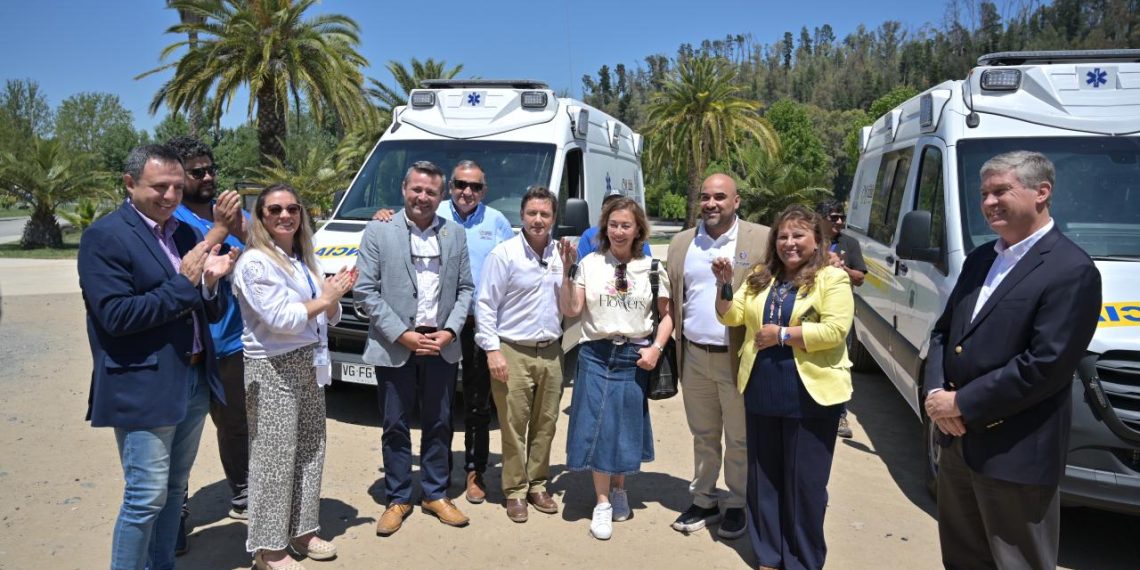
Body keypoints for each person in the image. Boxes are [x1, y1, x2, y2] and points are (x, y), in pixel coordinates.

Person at [923, 151, 1101, 570]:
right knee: (963, 558)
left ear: (1042, 192)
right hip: (958, 443)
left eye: (1001, 190)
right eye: (984, 193)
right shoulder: (982, 258)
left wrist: (962, 402)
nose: (988, 202)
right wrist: (935, 394)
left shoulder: (1071, 269)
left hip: (1015, 453)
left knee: (1017, 562)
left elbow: (1046, 364)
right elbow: (944, 333)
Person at [78, 144, 237, 570]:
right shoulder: (104, 236)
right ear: (130, 184)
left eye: (176, 187)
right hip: (144, 384)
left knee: (172, 490)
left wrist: (210, 285)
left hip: (193, 381)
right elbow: (116, 315)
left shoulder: (184, 234)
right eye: (159, 187)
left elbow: (206, 309)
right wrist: (187, 284)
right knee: (145, 497)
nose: (170, 196)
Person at [714, 204, 853, 570]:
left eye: (798, 235)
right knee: (764, 481)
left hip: (810, 396)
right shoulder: (761, 276)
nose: (788, 243)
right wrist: (724, 284)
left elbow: (835, 331)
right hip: (762, 390)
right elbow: (731, 316)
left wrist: (783, 335)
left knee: (805, 487)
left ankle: (802, 560)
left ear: (817, 239)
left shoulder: (831, 278)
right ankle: (768, 555)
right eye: (782, 236)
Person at [373, 160, 513, 504]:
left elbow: (485, 279)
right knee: (403, 419)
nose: (467, 192)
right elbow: (368, 287)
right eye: (461, 184)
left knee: (465, 410)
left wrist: (456, 331)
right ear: (449, 187)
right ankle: (405, 495)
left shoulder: (487, 224)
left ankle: (461, 479)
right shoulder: (405, 220)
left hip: (468, 327)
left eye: (476, 187)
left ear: (484, 190)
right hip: (411, 333)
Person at [232, 184, 357, 569]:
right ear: (261, 217)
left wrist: (332, 295)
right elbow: (282, 320)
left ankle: (302, 530)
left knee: (309, 450)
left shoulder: (301, 259)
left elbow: (324, 312)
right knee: (274, 459)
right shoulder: (255, 263)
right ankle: (269, 550)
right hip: (272, 367)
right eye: (274, 210)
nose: (285, 215)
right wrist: (328, 297)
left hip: (307, 361)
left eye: (292, 208)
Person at [354, 161, 475, 536]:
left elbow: (466, 289)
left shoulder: (454, 234)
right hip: (396, 345)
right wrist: (402, 334)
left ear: (442, 197)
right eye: (417, 189)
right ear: (404, 188)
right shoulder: (379, 231)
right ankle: (398, 497)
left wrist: (451, 331)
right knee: (395, 424)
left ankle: (436, 493)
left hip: (441, 344)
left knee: (440, 423)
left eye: (431, 192)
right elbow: (365, 292)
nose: (423, 197)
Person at [561, 196, 674, 541]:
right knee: (598, 427)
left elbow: (667, 317)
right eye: (613, 224)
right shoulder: (589, 263)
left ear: (638, 228)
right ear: (604, 227)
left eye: (626, 225)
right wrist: (568, 272)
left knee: (624, 428)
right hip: (595, 353)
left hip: (634, 357)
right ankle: (602, 502)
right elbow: (572, 309)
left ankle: (620, 488)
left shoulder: (652, 268)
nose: (619, 231)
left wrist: (656, 349)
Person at [664, 173, 769, 538]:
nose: (711, 204)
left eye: (720, 197)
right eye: (706, 197)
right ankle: (705, 498)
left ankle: (738, 502)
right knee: (704, 434)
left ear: (736, 201)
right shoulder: (680, 244)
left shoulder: (761, 239)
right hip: (693, 356)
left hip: (737, 356)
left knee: (739, 437)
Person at [167, 135, 250, 557]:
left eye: (210, 168)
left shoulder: (238, 217)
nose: (207, 176)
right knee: (180, 435)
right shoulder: (174, 222)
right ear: (178, 176)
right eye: (196, 171)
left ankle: (242, 492)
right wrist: (221, 230)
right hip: (193, 348)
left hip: (233, 343)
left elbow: (268, 256)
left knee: (235, 423)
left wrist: (243, 233)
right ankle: (175, 515)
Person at [475, 186, 571, 523]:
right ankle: (515, 491)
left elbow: (570, 303)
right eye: (532, 213)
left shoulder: (563, 255)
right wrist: (492, 351)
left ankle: (538, 484)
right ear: (522, 216)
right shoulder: (504, 254)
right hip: (512, 350)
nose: (538, 220)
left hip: (552, 351)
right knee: (514, 425)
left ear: (554, 218)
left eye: (545, 214)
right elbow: (485, 305)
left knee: (546, 424)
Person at [817, 199, 866, 440]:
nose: (839, 222)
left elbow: (860, 278)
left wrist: (842, 269)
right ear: (820, 218)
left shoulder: (849, 243)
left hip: (839, 314)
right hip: (811, 311)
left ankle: (839, 414)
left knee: (838, 364)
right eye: (833, 217)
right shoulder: (809, 240)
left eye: (841, 217)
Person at [577, 192, 652, 259]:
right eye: (609, 206)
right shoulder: (588, 235)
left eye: (625, 226)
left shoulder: (648, 265)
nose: (618, 232)